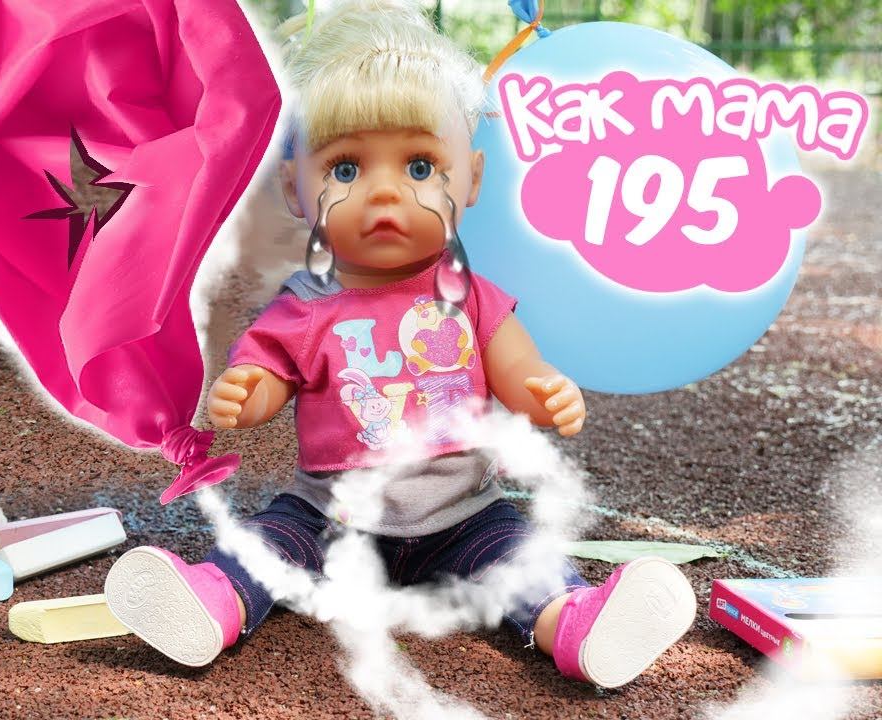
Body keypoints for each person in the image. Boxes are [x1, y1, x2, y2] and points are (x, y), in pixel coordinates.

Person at [103, 0, 696, 688]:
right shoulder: (307, 304)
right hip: (331, 514)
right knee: (270, 541)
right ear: (296, 188)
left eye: (418, 166)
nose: (384, 193)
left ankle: (575, 624)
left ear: (471, 179)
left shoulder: (471, 296)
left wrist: (542, 391)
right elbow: (267, 371)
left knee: (521, 555)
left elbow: (517, 367)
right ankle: (212, 603)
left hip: (464, 516)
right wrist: (248, 392)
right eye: (346, 169)